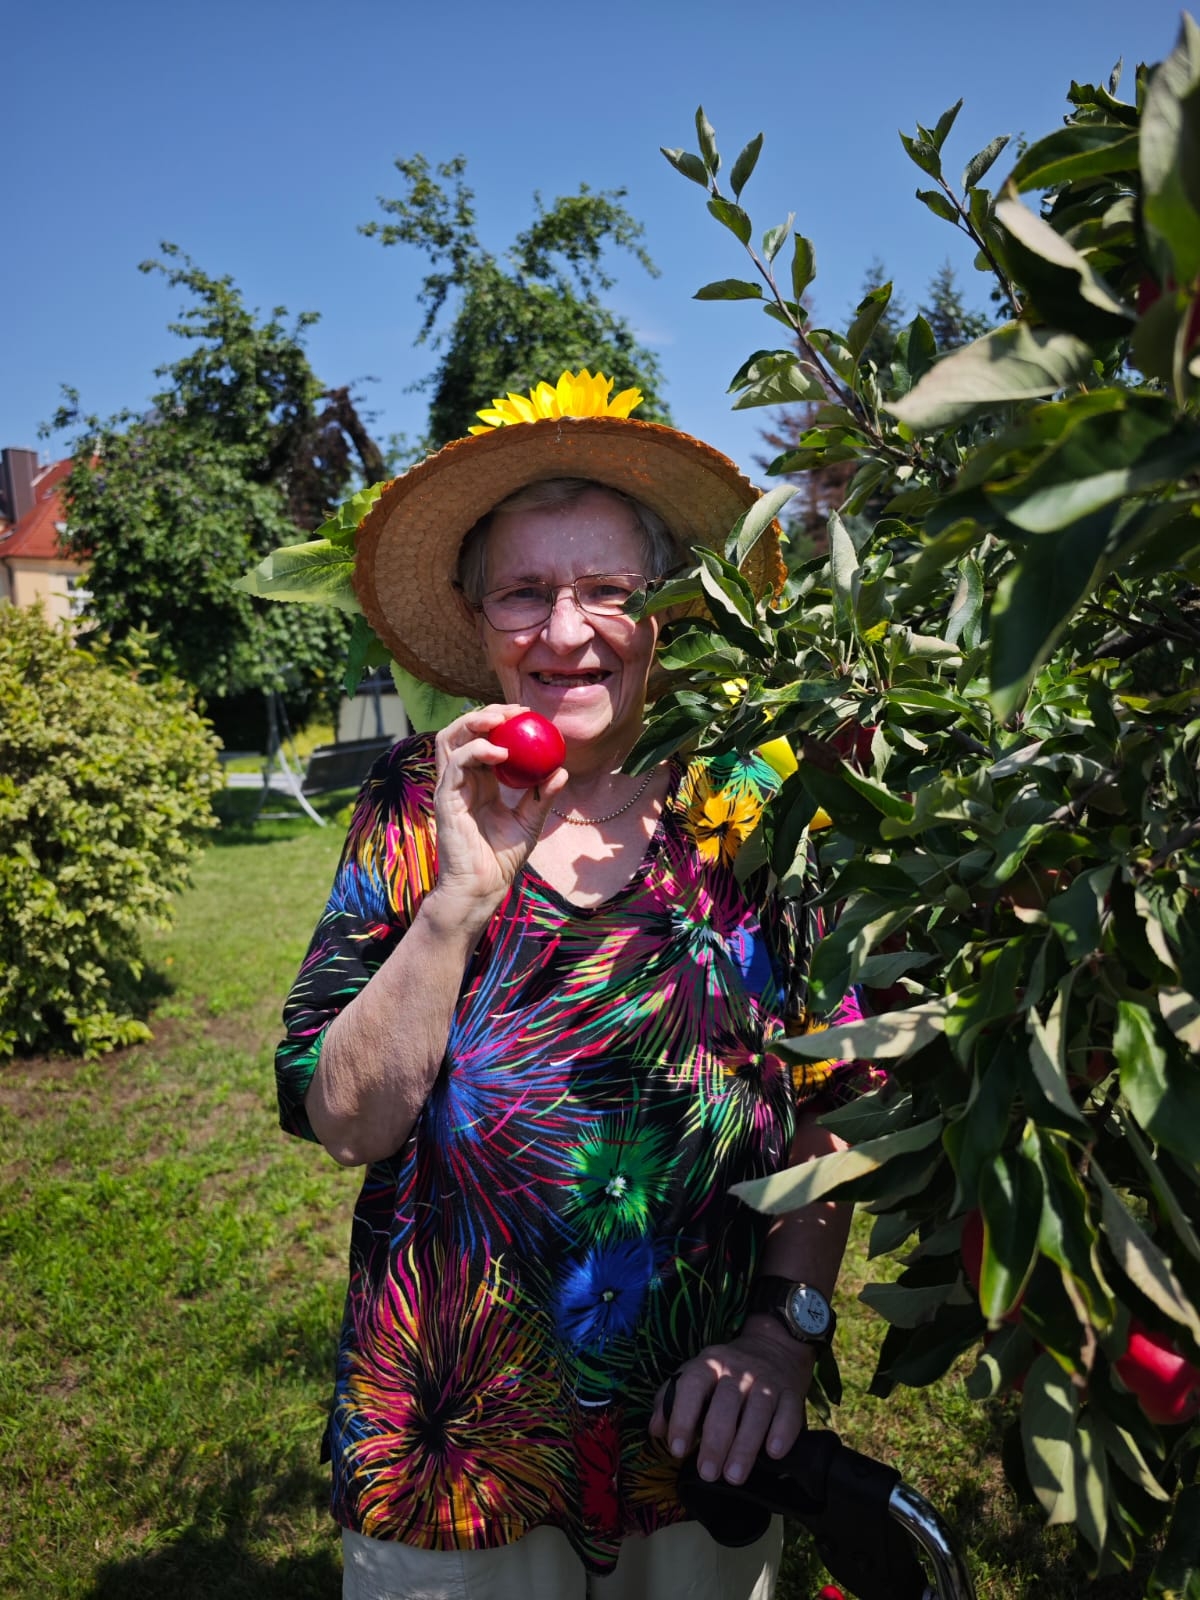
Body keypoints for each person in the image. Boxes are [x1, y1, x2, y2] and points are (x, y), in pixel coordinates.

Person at [274, 371, 869, 1600]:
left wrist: (783, 1332)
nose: (566, 632)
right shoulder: (414, 798)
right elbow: (346, 1122)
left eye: (610, 590)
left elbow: (837, 1094)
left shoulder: (758, 802)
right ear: (476, 614)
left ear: (668, 611)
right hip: (452, 1446)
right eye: (525, 592)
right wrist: (456, 903)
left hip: (700, 1438)